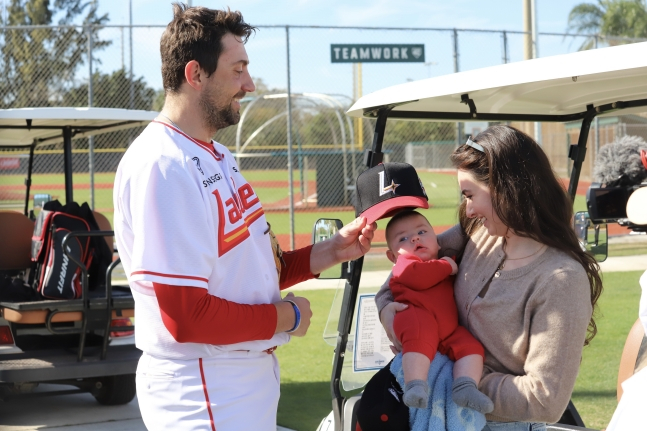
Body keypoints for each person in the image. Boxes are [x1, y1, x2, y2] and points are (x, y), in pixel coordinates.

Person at [112, 5, 376, 431]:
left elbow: (249, 274)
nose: (249, 84)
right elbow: (185, 316)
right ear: (195, 74)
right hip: (203, 388)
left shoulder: (217, 154)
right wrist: (285, 318)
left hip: (236, 381)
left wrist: (330, 251)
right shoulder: (164, 164)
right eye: (238, 70)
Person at [376, 125, 603, 430]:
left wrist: (455, 377)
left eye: (470, 195)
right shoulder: (479, 233)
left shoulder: (561, 280)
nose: (467, 210)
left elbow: (545, 400)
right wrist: (387, 311)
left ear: (505, 188)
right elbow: (406, 269)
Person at [384, 210, 493, 413]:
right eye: (403, 238)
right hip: (417, 316)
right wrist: (446, 266)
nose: (415, 238)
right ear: (392, 256)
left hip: (449, 328)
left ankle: (465, 386)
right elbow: (419, 277)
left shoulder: (444, 260)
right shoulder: (405, 266)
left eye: (422, 232)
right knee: (418, 341)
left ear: (438, 241)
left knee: (472, 348)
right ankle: (415, 385)